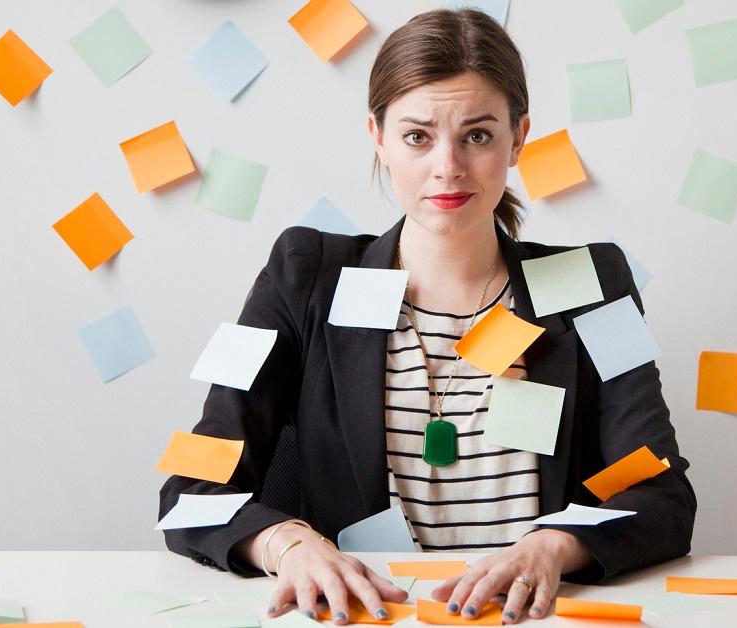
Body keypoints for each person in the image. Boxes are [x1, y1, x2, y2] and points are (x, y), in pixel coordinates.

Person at [159, 8, 696, 625]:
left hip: (532, 616)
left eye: (478, 135)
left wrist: (553, 546)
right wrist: (291, 547)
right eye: (417, 136)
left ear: (518, 137)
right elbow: (192, 493)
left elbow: (662, 495)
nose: (448, 167)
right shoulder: (305, 272)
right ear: (378, 137)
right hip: (364, 616)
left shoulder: (592, 284)